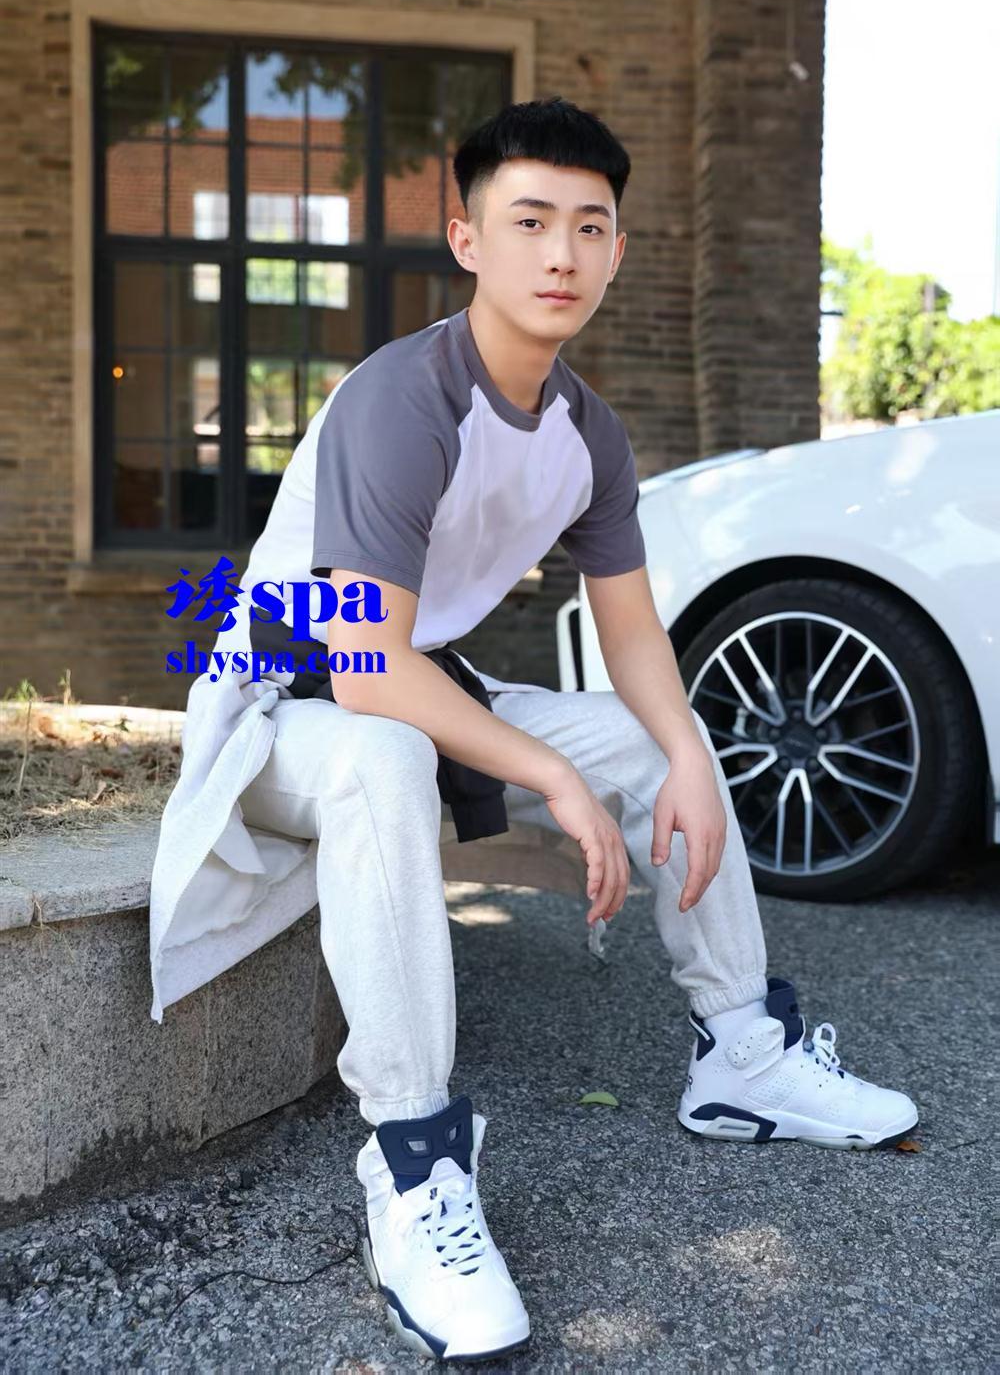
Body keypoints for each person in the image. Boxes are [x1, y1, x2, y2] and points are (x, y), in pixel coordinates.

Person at [149, 97, 918, 1365]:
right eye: (528, 221)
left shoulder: (589, 434)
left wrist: (685, 759)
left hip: (429, 686)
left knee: (659, 740)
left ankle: (740, 1049)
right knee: (389, 750)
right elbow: (362, 666)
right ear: (466, 239)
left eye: (589, 226)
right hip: (287, 705)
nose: (561, 253)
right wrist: (547, 771)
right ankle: (412, 1165)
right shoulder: (401, 399)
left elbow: (632, 636)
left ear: (616, 248)